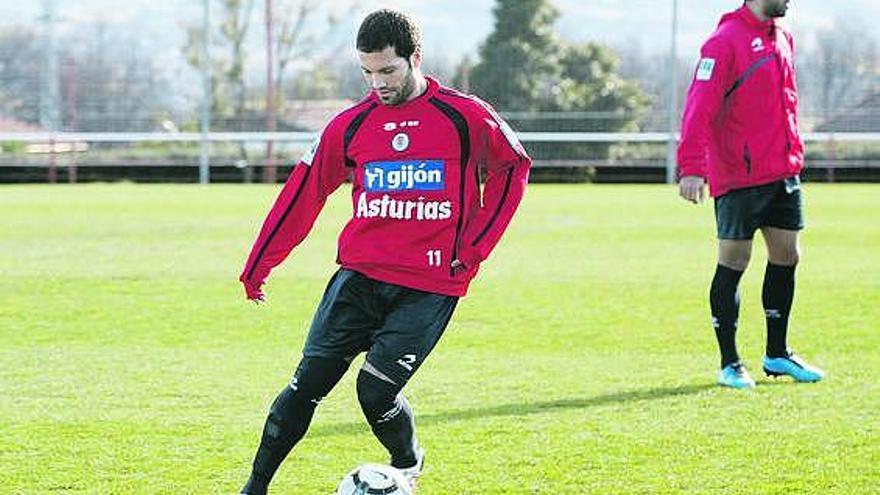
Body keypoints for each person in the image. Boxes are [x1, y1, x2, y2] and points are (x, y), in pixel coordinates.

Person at [237, 9, 531, 494]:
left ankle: (406, 464)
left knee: (374, 391)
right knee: (305, 385)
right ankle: (254, 488)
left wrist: (474, 247)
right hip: (358, 279)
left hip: (428, 285)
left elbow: (513, 167)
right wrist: (259, 265)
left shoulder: (465, 116)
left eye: (388, 70)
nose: (378, 83)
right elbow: (302, 193)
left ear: (415, 58)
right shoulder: (351, 126)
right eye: (368, 72)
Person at [676, 0, 824, 389]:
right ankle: (730, 363)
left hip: (783, 170)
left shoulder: (783, 38)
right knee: (734, 260)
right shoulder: (723, 43)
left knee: (787, 254)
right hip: (739, 175)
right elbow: (699, 107)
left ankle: (777, 354)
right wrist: (692, 167)